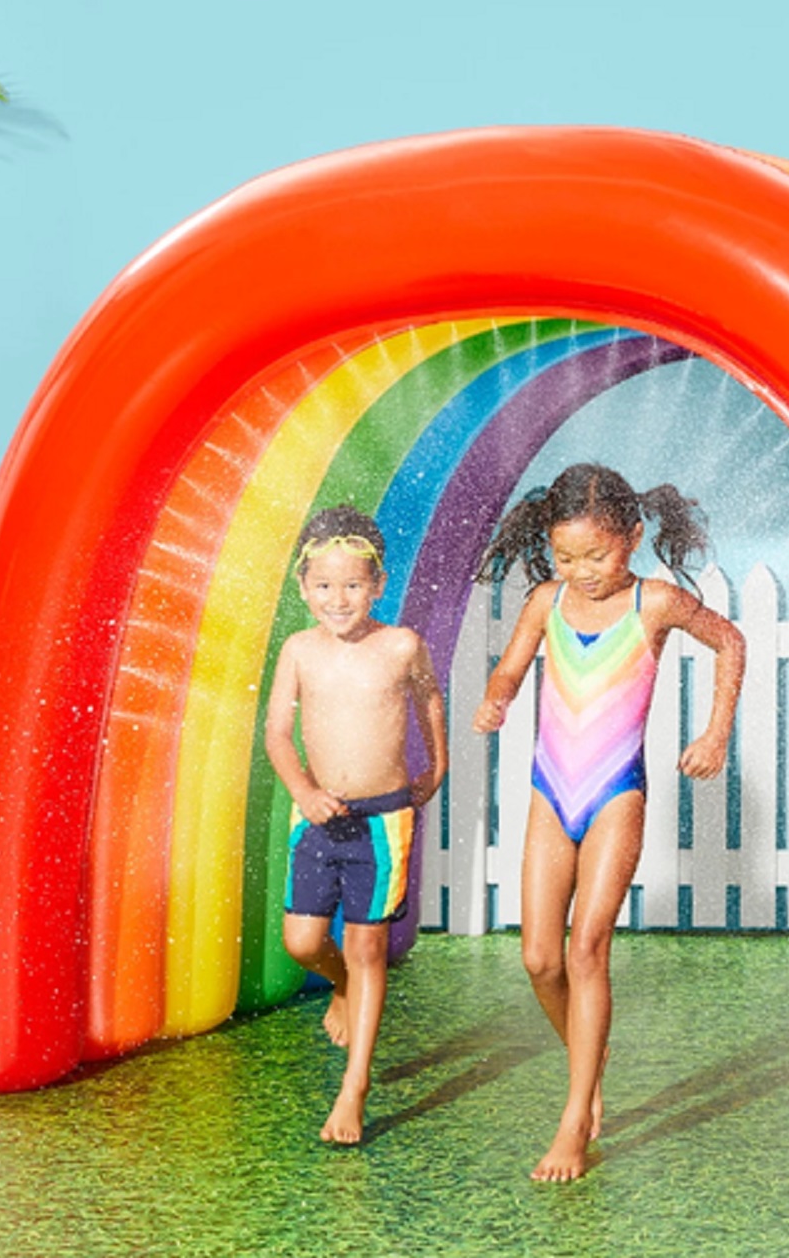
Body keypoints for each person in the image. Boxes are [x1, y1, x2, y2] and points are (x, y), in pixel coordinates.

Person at [473, 463, 745, 1181]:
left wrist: (716, 733)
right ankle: (589, 1054)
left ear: (632, 537)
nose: (582, 571)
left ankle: (575, 1118)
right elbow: (509, 670)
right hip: (549, 795)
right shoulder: (544, 601)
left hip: (616, 793)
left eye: (597, 555)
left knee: (587, 947)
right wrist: (497, 697)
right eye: (567, 556)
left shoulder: (653, 603)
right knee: (539, 957)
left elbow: (731, 641)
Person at [265, 505, 448, 1145]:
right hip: (318, 815)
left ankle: (355, 1089)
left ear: (377, 585)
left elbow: (428, 698)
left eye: (352, 585)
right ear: (303, 588)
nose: (337, 599)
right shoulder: (299, 651)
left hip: (382, 820)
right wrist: (303, 790)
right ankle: (341, 987)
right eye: (323, 586)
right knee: (302, 942)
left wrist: (440, 762)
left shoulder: (400, 645)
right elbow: (277, 735)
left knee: (369, 947)